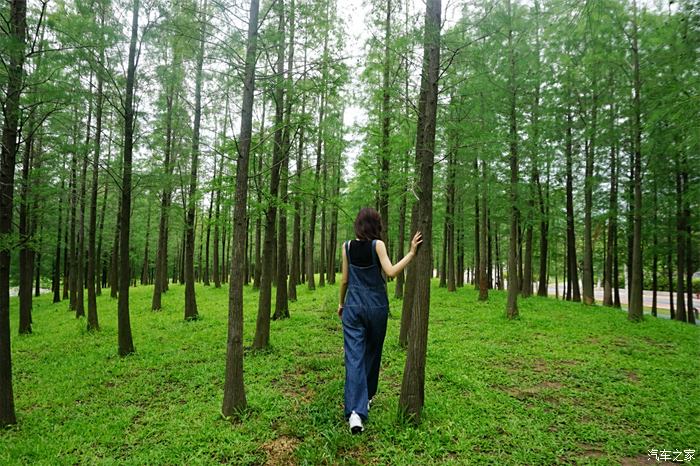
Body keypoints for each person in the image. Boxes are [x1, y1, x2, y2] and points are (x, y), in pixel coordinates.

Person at [337, 207, 422, 434]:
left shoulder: (346, 247)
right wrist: (412, 253)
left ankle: (355, 412)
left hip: (352, 307)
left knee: (354, 357)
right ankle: (364, 401)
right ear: (376, 225)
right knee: (373, 353)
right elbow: (391, 272)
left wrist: (341, 304)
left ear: (358, 224)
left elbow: (345, 280)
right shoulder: (378, 245)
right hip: (376, 307)